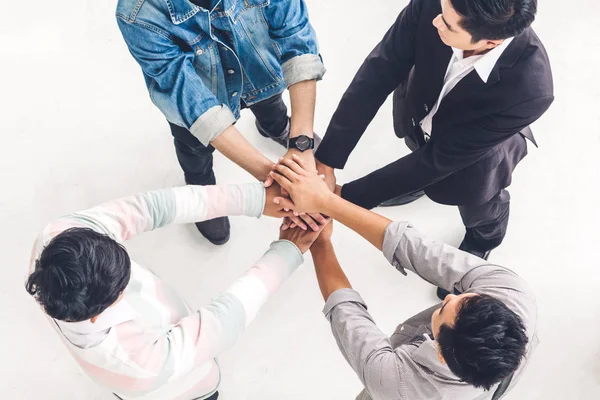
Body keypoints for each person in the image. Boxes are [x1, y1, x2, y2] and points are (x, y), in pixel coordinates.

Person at [313, 0, 554, 284]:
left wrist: (339, 201)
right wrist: (326, 160)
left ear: (491, 41)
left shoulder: (531, 90)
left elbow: (440, 159)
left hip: (477, 159)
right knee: (416, 159)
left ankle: (484, 238)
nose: (435, 21)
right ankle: (416, 186)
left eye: (447, 25)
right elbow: (379, 72)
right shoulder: (438, 5)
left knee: (481, 204)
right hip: (420, 112)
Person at [26, 182, 328, 400]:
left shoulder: (59, 235)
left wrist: (255, 199)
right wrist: (289, 249)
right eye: (121, 287)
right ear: (96, 315)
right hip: (181, 390)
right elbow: (224, 320)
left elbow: (154, 207)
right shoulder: (139, 363)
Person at [271, 155, 537, 400]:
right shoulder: (512, 292)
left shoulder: (398, 386)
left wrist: (319, 240)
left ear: (442, 354)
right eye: (466, 296)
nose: (451, 294)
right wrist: (327, 203)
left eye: (443, 309)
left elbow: (346, 312)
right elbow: (416, 248)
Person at [116, 0, 326, 245]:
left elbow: (295, 37)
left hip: (262, 77)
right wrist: (275, 177)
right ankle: (202, 188)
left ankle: (278, 129)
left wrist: (301, 145)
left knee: (273, 112)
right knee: (195, 150)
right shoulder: (138, 13)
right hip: (199, 100)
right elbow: (190, 99)